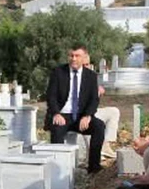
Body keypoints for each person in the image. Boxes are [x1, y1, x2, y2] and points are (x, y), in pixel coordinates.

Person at [45, 44, 106, 173]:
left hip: (81, 116)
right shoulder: (58, 72)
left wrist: (88, 116)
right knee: (56, 129)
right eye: (71, 55)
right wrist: (56, 113)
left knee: (99, 126)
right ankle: (58, 169)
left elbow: (94, 99)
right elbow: (51, 96)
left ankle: (94, 167)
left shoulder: (90, 76)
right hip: (63, 115)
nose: (73, 58)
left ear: (84, 58)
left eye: (77, 56)